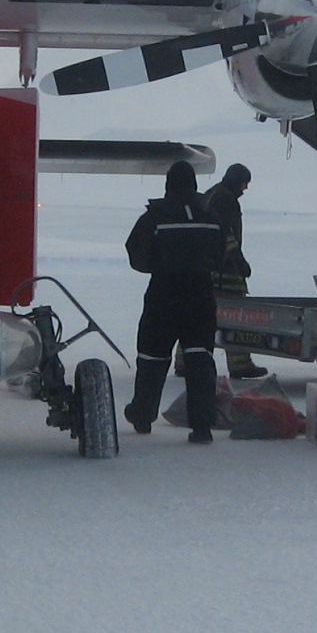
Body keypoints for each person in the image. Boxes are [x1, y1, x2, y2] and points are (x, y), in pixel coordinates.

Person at [123, 159, 226, 443]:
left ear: (169, 185)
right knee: (200, 358)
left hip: (164, 293)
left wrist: (160, 265)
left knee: (152, 357)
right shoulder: (211, 216)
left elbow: (136, 253)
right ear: (194, 184)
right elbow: (221, 254)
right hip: (201, 294)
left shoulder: (156, 215)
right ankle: (202, 425)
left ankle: (142, 416)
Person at [203, 162, 264, 381]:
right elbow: (225, 236)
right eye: (244, 183)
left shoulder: (211, 195)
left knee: (199, 316)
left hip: (206, 270)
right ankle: (240, 364)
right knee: (236, 314)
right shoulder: (225, 200)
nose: (245, 189)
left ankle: (184, 361)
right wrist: (240, 263)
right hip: (224, 272)